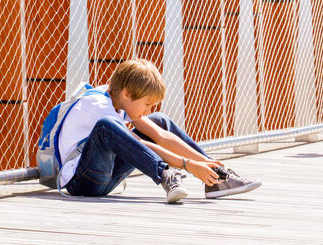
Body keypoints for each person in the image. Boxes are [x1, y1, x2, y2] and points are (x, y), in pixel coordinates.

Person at [58, 58, 262, 203]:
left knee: (159, 120)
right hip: (81, 182)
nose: (148, 109)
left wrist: (203, 163)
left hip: (104, 176)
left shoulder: (118, 98)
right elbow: (138, 144)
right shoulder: (98, 105)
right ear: (127, 93)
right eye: (147, 104)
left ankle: (216, 176)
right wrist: (188, 165)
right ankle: (165, 175)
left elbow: (159, 134)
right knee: (107, 126)